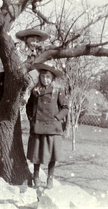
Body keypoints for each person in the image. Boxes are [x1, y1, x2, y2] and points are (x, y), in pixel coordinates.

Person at [26, 61, 69, 189]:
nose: (45, 79)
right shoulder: (35, 91)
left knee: (52, 154)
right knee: (36, 154)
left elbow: (65, 107)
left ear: (52, 78)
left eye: (48, 77)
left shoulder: (58, 91)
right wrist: (32, 119)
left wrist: (57, 117)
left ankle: (50, 178)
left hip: (53, 128)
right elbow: (29, 107)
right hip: (38, 127)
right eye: (43, 76)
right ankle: (36, 177)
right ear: (39, 77)